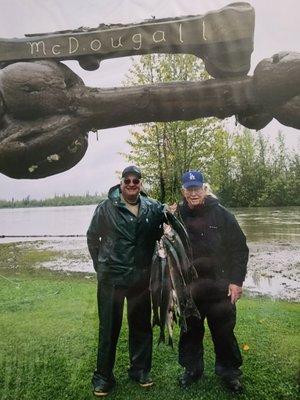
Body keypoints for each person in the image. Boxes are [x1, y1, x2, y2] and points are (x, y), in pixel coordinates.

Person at [87, 165, 165, 397]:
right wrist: (100, 265)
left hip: (141, 277)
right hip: (111, 277)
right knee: (109, 327)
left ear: (141, 184)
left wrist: (169, 217)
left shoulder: (153, 207)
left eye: (136, 181)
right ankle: (103, 376)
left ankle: (140, 370)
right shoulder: (106, 207)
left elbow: (161, 233)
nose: (131, 184)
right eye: (127, 181)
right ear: (121, 183)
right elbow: (93, 238)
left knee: (141, 325)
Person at [174, 170, 249, 393]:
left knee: (224, 333)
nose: (193, 193)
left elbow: (240, 249)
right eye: (189, 189)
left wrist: (236, 281)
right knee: (190, 333)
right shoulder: (176, 216)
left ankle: (229, 373)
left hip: (220, 288)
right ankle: (192, 370)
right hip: (190, 290)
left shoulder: (223, 215)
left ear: (204, 189)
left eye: (197, 188)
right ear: (183, 191)